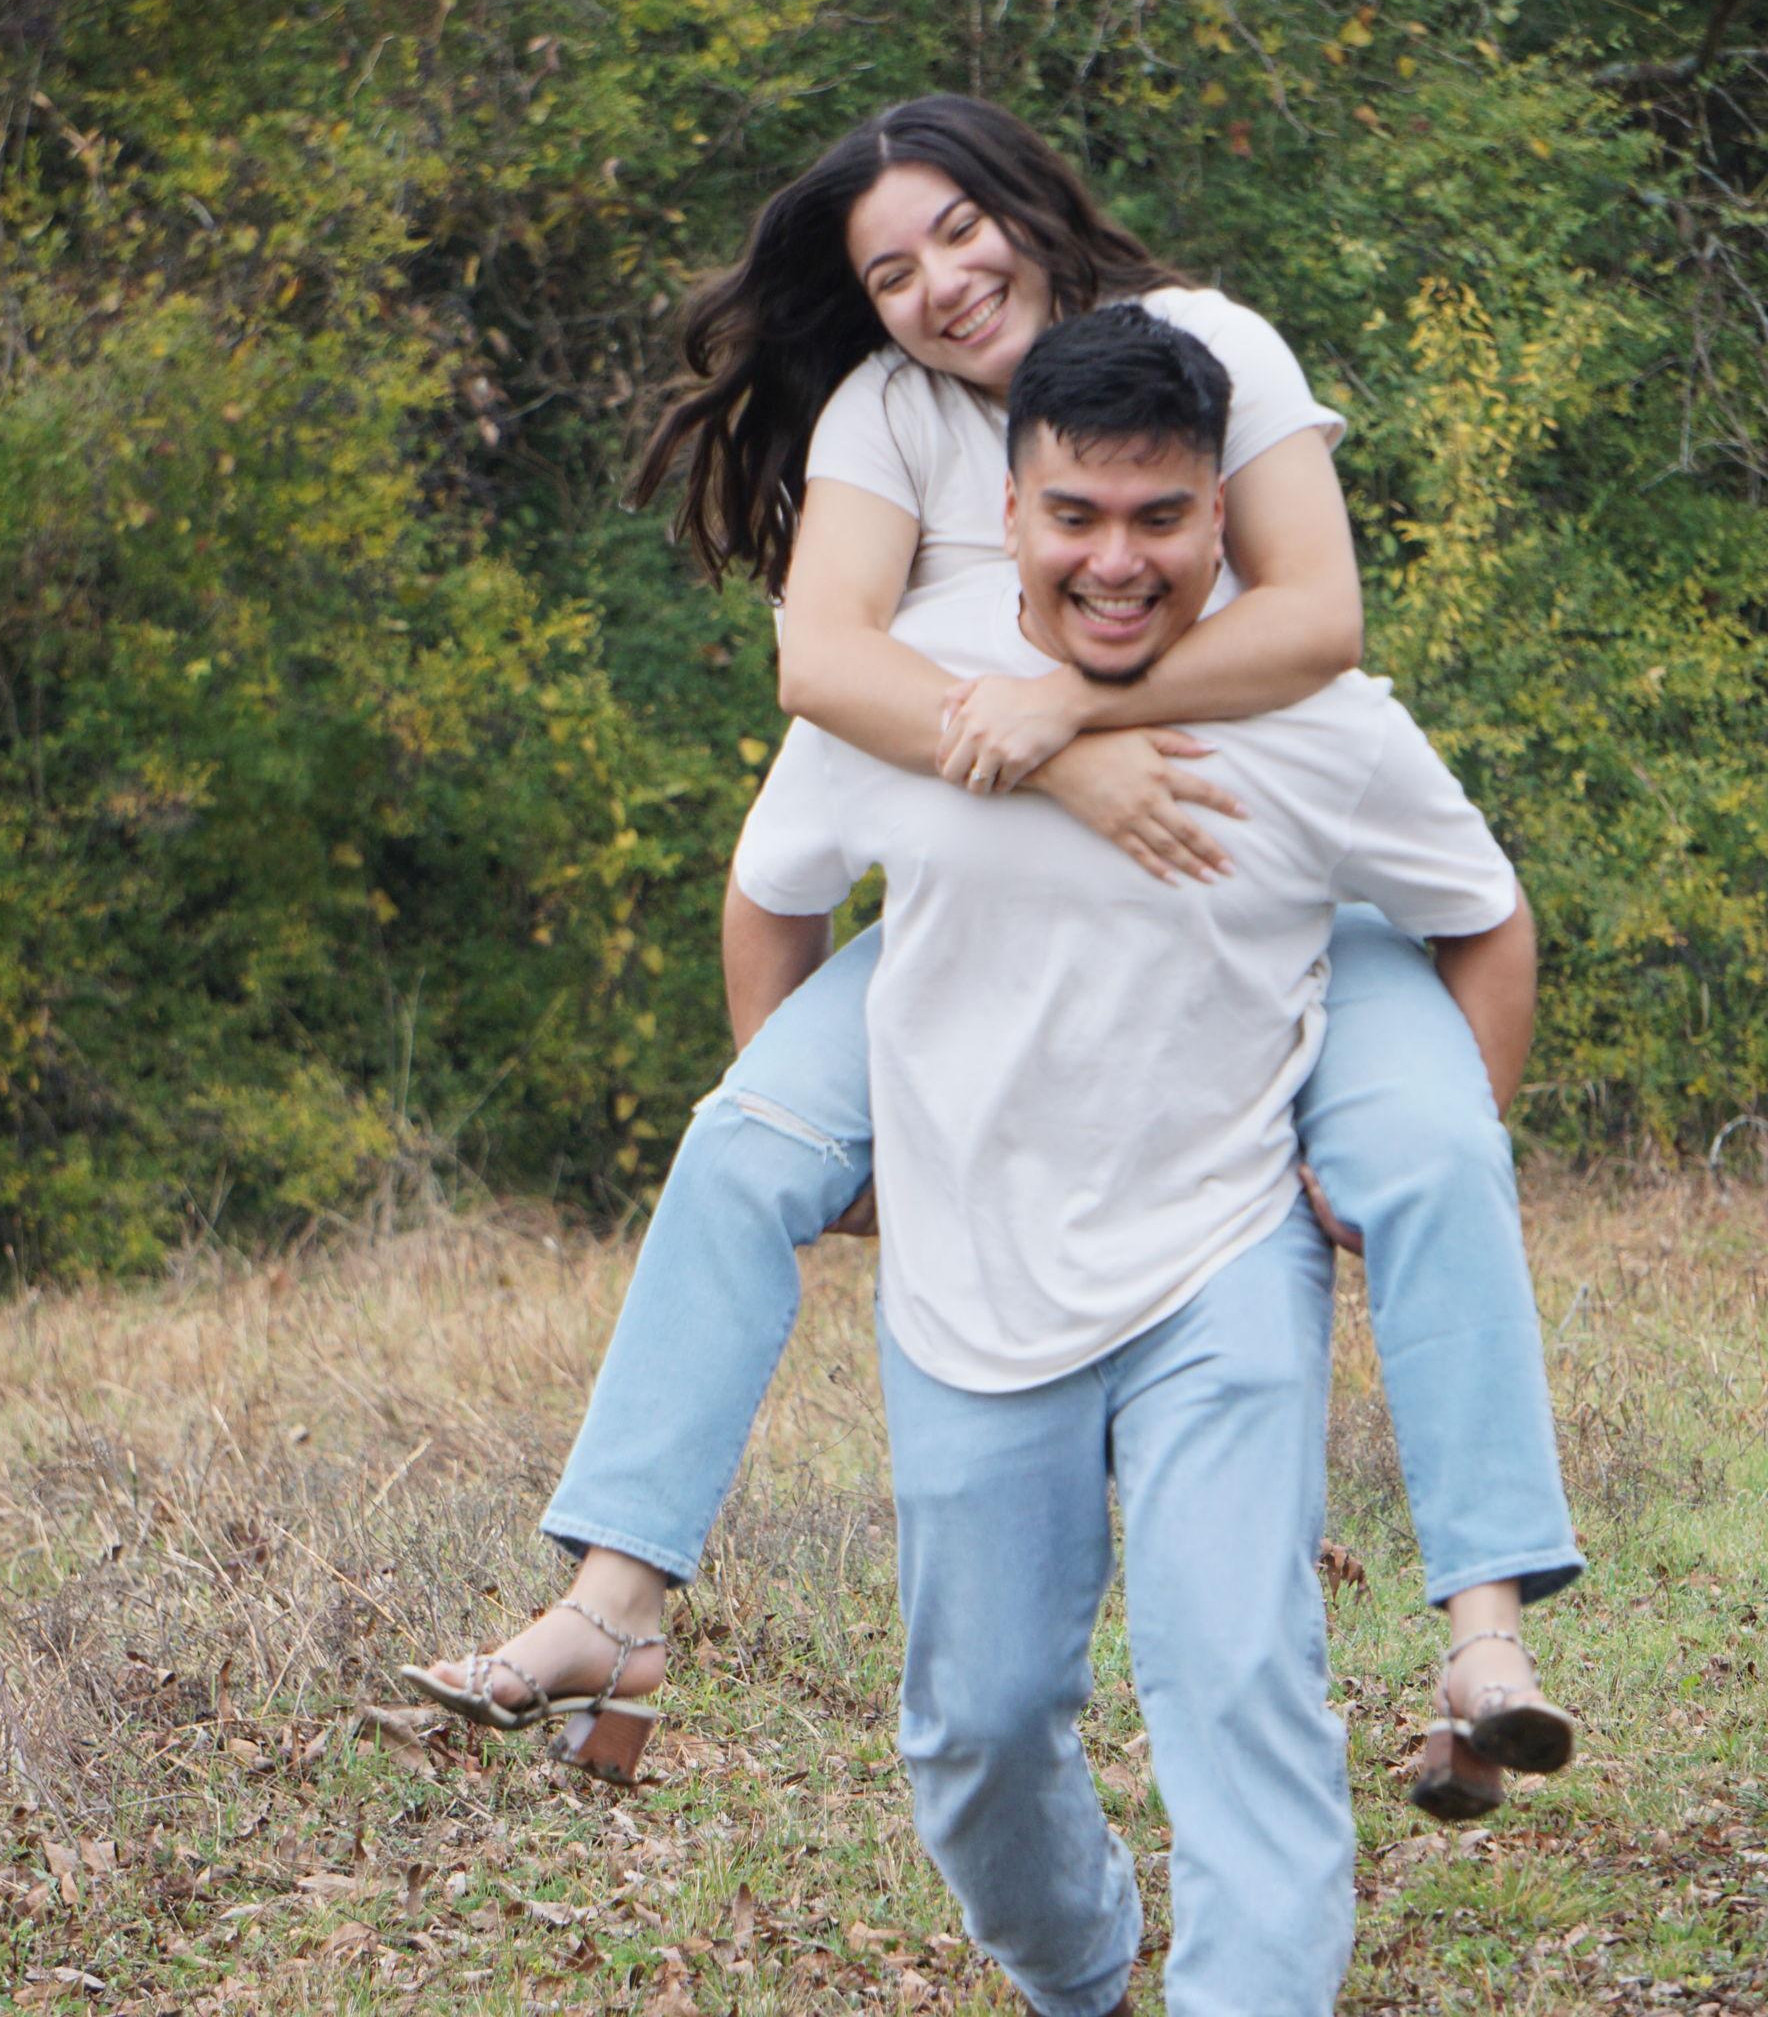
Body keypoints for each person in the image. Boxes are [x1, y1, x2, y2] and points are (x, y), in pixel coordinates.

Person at [403, 95, 1581, 1819]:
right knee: (745, 1149)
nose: (941, 283)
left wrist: (1073, 712)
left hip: (1260, 878)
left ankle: (1487, 1640)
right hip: (998, 902)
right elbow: (822, 664)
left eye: (960, 230)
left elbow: (1317, 620)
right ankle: (614, 1604)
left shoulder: (1205, 344)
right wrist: (1057, 762)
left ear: (1028, 205)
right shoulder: (890, 412)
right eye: (891, 271)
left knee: (1432, 1148)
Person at [733, 304, 1528, 2016]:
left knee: (1239, 1678)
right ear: (1007, 510)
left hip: (1223, 1258)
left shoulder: (1320, 721)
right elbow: (773, 894)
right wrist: (833, 1145)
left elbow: (1485, 917)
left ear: (1221, 513)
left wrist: (1426, 1147)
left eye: (1162, 517)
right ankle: (1081, 1966)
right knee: (978, 1729)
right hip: (971, 1277)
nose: (1118, 560)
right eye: (1077, 516)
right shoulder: (910, 688)